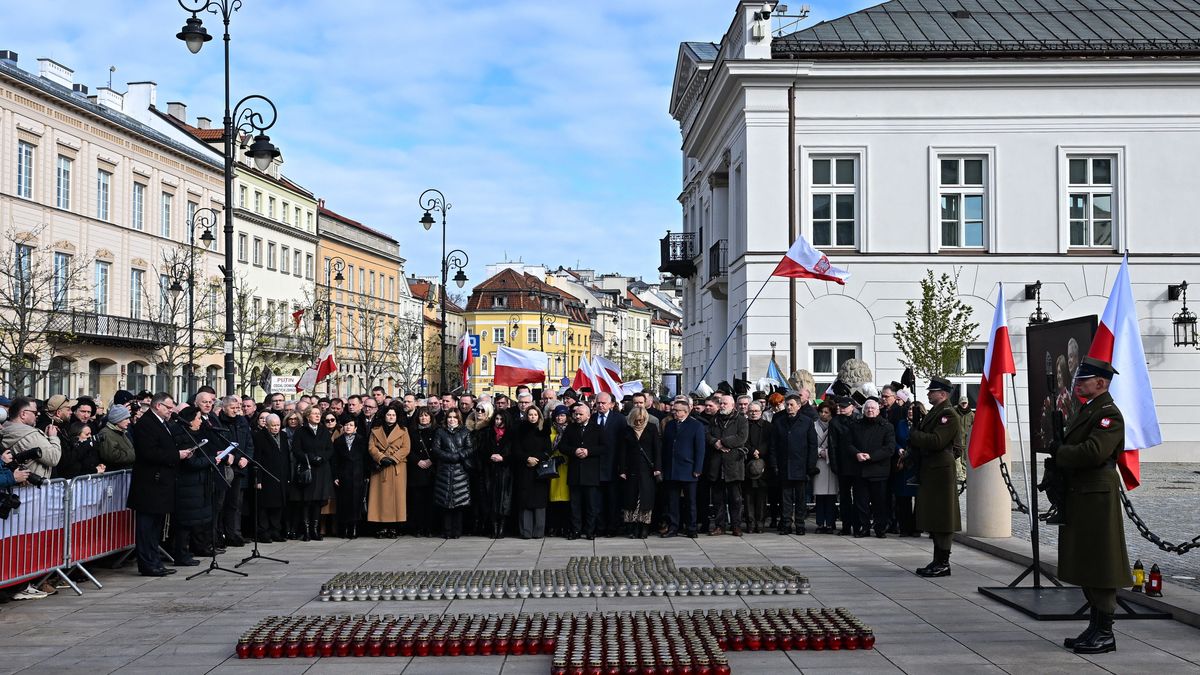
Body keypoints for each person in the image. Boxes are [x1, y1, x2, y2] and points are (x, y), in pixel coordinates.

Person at [1050, 357, 1132, 655]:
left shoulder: (1108, 414)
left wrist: (1061, 453)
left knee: (1101, 562)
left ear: (1101, 382)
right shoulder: (1089, 409)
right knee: (1086, 561)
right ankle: (1095, 627)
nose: (1078, 384)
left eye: (1084, 380)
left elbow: (1094, 452)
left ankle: (1105, 632)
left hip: (1096, 495)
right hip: (1082, 493)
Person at [907, 376, 962, 577]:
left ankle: (943, 562)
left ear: (943, 394)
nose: (929, 394)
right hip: (931, 470)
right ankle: (937, 560)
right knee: (934, 517)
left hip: (941, 472)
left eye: (932, 391)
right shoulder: (936, 412)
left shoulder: (948, 414)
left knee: (943, 519)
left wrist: (914, 435)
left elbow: (937, 441)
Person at [127, 393, 186, 577]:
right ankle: (147, 563)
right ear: (158, 406)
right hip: (150, 484)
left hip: (161, 483)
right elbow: (149, 453)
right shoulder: (146, 424)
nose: (171, 411)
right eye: (168, 407)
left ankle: (155, 561)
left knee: (155, 527)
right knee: (146, 527)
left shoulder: (162, 423)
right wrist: (176, 455)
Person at [769, 394, 819, 535]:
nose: (789, 407)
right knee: (785, 498)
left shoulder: (807, 421)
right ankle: (786, 523)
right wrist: (774, 464)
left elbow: (812, 445)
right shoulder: (779, 421)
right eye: (787, 404)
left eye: (791, 405)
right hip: (784, 464)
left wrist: (810, 465)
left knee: (801, 498)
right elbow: (773, 445)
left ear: (798, 406)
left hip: (801, 465)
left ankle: (800, 524)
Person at [169, 406, 211, 566]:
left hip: (194, 485)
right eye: (198, 418)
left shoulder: (194, 435)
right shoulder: (182, 437)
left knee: (190, 521)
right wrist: (211, 460)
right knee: (184, 523)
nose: (200, 422)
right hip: (186, 485)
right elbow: (191, 463)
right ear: (189, 420)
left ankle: (185, 552)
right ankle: (181, 554)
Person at [848, 399, 896, 538]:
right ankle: (864, 527)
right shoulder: (855, 425)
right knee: (861, 502)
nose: (870, 410)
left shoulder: (887, 426)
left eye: (873, 408)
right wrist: (856, 454)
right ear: (863, 410)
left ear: (878, 410)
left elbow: (889, 448)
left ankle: (880, 528)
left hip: (878, 471)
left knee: (880, 502)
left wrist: (871, 456)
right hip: (860, 470)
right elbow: (848, 444)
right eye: (867, 408)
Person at [561, 402, 607, 540]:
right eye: (576, 414)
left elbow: (604, 447)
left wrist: (589, 451)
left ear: (588, 415)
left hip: (590, 473)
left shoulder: (597, 428)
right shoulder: (570, 428)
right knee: (575, 505)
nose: (577, 416)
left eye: (580, 414)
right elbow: (562, 446)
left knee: (591, 505)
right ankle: (576, 530)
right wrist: (574, 451)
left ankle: (590, 531)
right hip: (575, 473)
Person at [660, 399, 705, 538]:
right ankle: (673, 527)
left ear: (686, 412)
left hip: (688, 468)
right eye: (674, 410)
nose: (675, 413)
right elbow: (665, 446)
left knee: (690, 501)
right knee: (672, 501)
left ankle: (691, 528)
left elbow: (700, 449)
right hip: (672, 468)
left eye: (678, 410)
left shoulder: (696, 425)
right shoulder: (670, 425)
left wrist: (697, 468)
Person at [705, 394, 748, 536]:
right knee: (718, 498)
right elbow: (707, 435)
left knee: (735, 498)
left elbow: (741, 437)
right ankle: (719, 526)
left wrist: (722, 442)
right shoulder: (714, 419)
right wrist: (715, 443)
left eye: (725, 403)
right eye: (721, 403)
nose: (722, 406)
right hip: (716, 464)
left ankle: (736, 525)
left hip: (733, 464)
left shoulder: (741, 420)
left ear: (733, 405)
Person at [367, 405, 410, 538]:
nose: (391, 417)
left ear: (397, 417)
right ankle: (381, 527)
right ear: (384, 416)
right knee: (379, 498)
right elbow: (371, 447)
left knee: (396, 498)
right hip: (380, 468)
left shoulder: (403, 430)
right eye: (388, 415)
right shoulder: (375, 430)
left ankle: (393, 527)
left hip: (397, 468)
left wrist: (393, 458)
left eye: (393, 415)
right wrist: (381, 458)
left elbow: (406, 448)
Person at [292, 406, 334, 541]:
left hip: (321, 469)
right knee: (306, 501)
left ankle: (315, 530)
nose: (317, 416)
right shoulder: (301, 431)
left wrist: (322, 458)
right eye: (314, 413)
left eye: (318, 414)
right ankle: (306, 531)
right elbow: (296, 450)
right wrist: (309, 458)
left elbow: (330, 449)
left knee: (317, 501)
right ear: (307, 416)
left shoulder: (324, 431)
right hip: (307, 470)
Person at [618, 404, 661, 538]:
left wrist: (657, 468)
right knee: (630, 498)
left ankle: (644, 527)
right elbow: (622, 451)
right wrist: (622, 470)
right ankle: (632, 527)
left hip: (647, 470)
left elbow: (657, 450)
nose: (639, 422)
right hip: (631, 469)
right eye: (636, 420)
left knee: (646, 498)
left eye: (641, 420)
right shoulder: (627, 430)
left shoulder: (651, 428)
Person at [217, 396, 254, 547]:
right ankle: (220, 535)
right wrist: (237, 457)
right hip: (226, 467)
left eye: (237, 408)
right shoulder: (219, 422)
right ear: (224, 408)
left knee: (235, 503)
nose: (235, 410)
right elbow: (222, 444)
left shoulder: (242, 421)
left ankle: (233, 534)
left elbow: (249, 443)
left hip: (240, 469)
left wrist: (247, 458)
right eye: (232, 408)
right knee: (221, 503)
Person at [432, 408, 472, 539]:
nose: (452, 420)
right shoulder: (440, 431)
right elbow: (436, 449)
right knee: (445, 503)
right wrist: (450, 456)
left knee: (459, 503)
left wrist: (458, 456)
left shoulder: (465, 432)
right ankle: (447, 531)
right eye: (450, 417)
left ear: (459, 419)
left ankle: (457, 531)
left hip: (460, 471)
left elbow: (470, 448)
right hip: (444, 470)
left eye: (455, 417)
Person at [513, 405, 551, 539]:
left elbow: (548, 450)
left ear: (539, 416)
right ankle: (526, 532)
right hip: (524, 469)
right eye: (530, 414)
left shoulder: (544, 430)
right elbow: (516, 449)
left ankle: (539, 532)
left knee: (539, 502)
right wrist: (527, 458)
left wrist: (537, 459)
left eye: (535, 415)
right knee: (525, 501)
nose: (533, 417)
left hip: (540, 470)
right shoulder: (520, 429)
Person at [1, 397, 62, 481]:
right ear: (23, 414)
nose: (38, 414)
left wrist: (44, 437)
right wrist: (53, 437)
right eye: (35, 412)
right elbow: (53, 458)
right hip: (32, 487)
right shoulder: (30, 436)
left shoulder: (5, 430)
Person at [251, 413, 290, 542]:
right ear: (267, 426)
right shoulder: (259, 437)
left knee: (278, 506)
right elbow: (257, 459)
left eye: (278, 425)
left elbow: (286, 456)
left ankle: (275, 531)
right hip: (266, 476)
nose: (276, 428)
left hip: (281, 477)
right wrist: (258, 479)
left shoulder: (283, 436)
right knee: (264, 507)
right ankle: (264, 532)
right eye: (273, 425)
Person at [593, 392, 627, 537]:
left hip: (613, 466)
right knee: (597, 501)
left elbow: (623, 444)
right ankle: (600, 528)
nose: (600, 405)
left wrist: (622, 466)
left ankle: (612, 528)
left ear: (611, 404)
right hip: (595, 467)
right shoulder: (592, 418)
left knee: (613, 501)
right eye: (598, 403)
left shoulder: (619, 419)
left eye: (603, 403)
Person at [479, 409, 515, 538]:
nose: (498, 422)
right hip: (490, 470)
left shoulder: (511, 434)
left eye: (501, 419)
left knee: (504, 500)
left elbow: (515, 453)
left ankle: (502, 528)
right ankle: (493, 528)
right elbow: (481, 450)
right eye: (497, 419)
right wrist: (490, 456)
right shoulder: (488, 433)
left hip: (506, 471)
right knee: (491, 499)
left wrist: (503, 458)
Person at [331, 417, 369, 538]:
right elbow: (334, 460)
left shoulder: (361, 440)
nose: (348, 427)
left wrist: (366, 475)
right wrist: (335, 476)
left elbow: (366, 459)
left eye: (351, 425)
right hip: (343, 475)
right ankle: (343, 529)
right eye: (346, 425)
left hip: (357, 475)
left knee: (356, 503)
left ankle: (353, 529)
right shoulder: (338, 441)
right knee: (343, 503)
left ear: (355, 428)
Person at [405, 407, 437, 537]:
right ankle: (417, 528)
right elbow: (408, 449)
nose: (423, 418)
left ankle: (429, 528)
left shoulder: (436, 431)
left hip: (431, 470)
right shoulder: (411, 431)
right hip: (416, 469)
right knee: (416, 501)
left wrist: (431, 460)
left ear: (431, 417)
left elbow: (439, 447)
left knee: (430, 501)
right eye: (421, 416)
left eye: (426, 415)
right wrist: (417, 461)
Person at [811, 401, 839, 534]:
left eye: (826, 412)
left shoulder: (835, 426)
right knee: (820, 495)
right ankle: (820, 522)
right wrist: (819, 452)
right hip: (818, 463)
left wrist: (827, 453)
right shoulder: (813, 425)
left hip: (832, 463)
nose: (823, 414)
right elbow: (810, 443)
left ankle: (830, 522)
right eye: (821, 412)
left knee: (831, 496)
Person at [546, 405, 572, 537]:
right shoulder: (550, 429)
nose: (559, 418)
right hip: (553, 467)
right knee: (553, 499)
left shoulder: (571, 430)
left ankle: (565, 527)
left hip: (567, 466)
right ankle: (553, 526)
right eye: (557, 415)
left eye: (562, 415)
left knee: (567, 500)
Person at [97, 403, 136, 471]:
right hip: (115, 474)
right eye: (126, 419)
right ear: (117, 420)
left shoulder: (121, 432)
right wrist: (133, 454)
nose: (129, 421)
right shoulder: (106, 434)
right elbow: (111, 456)